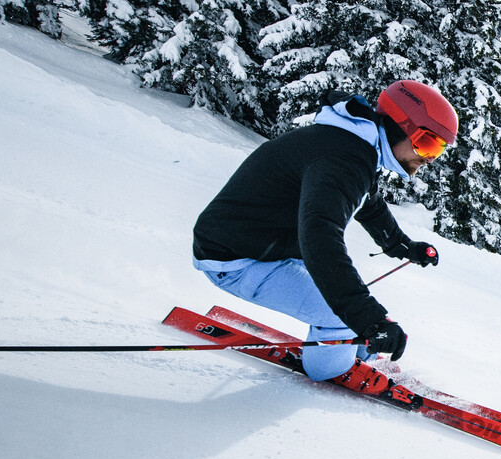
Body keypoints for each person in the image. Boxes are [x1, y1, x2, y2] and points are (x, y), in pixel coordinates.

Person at [191, 80, 458, 394]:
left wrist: (402, 245)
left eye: (439, 149)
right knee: (340, 316)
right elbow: (321, 240)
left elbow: (368, 203)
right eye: (426, 144)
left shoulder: (354, 144)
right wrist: (368, 320)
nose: (429, 158)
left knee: (349, 309)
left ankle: (357, 352)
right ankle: (333, 370)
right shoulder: (344, 159)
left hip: (260, 247)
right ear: (399, 126)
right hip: (234, 258)